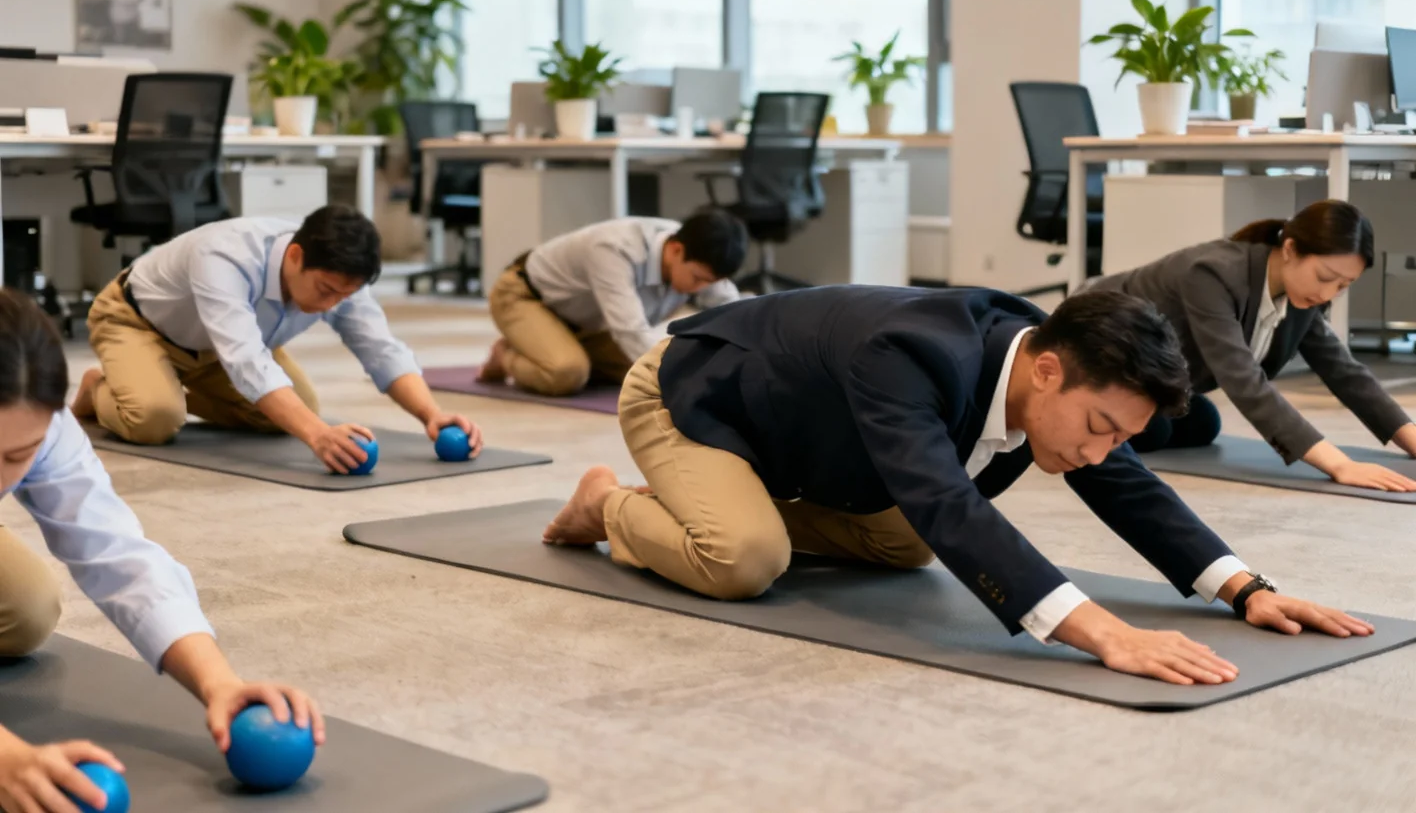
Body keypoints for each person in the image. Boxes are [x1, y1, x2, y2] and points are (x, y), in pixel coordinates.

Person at [544, 285, 1372, 687]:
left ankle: (715, 505)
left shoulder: (1061, 380)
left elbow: (1125, 484)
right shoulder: (909, 357)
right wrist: (1100, 632)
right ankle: (609, 503)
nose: (1102, 452)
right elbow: (945, 496)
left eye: (1120, 435)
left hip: (804, 439)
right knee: (743, 560)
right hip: (696, 396)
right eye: (1097, 429)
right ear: (1047, 373)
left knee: (902, 543)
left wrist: (1243, 588)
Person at [0, 289, 323, 812]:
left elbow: (114, 549)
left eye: (16, 455)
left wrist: (219, 683)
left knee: (26, 609)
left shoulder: (42, 422)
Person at [71, 206, 483, 474]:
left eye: (345, 295)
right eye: (326, 291)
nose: (333, 304)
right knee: (154, 420)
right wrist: (318, 436)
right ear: (295, 257)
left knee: (295, 411)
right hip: (137, 322)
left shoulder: (339, 278)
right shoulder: (225, 255)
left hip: (217, 347)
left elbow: (380, 347)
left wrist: (431, 414)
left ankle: (158, 388)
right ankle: (102, 388)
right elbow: (248, 360)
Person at [1086, 199, 1416, 492]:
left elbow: (1344, 371)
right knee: (1151, 431)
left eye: (1344, 285)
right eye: (1325, 277)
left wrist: (1410, 437)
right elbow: (1241, 378)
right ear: (1290, 250)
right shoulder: (1212, 274)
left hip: (1150, 371)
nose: (1329, 293)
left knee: (1201, 424)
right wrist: (1339, 464)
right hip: (1100, 345)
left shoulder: (1299, 297)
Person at [479, 210, 748, 397]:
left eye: (709, 282)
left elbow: (734, 312)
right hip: (524, 296)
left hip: (587, 322)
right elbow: (630, 331)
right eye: (698, 279)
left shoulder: (697, 253)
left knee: (644, 369)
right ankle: (507, 356)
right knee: (567, 373)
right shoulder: (615, 249)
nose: (701, 289)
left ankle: (554, 348)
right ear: (676, 250)